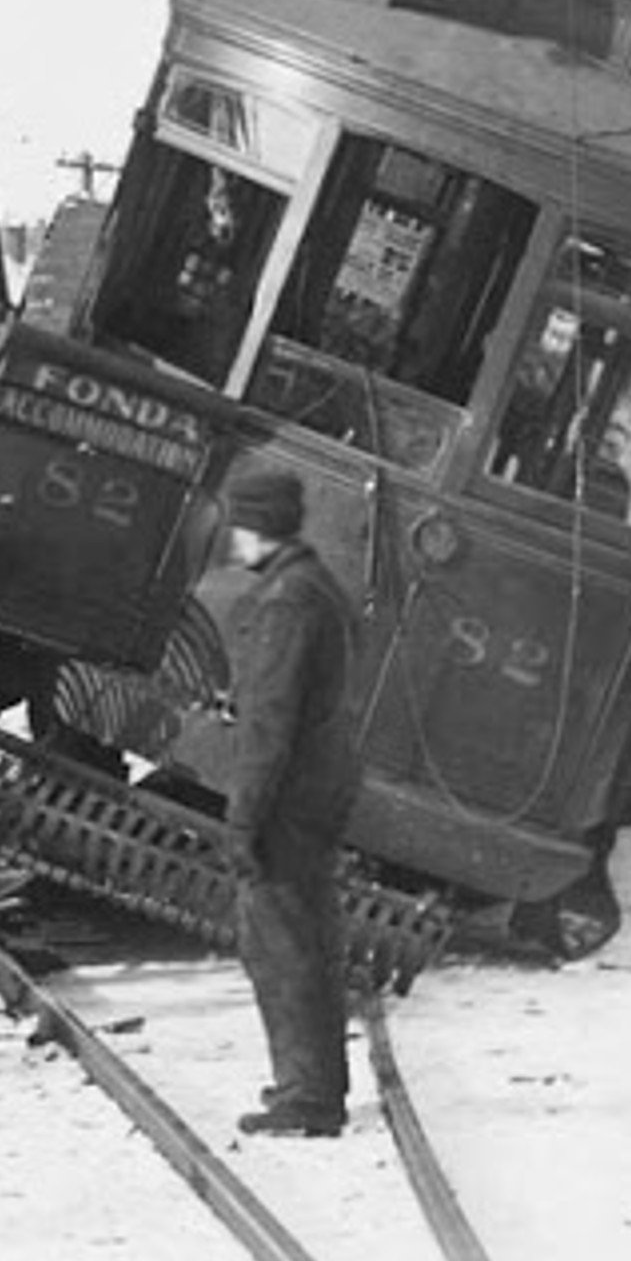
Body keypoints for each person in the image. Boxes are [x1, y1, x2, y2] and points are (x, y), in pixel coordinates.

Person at [217, 465, 362, 1141]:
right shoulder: (315, 589)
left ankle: (305, 1095)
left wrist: (242, 820)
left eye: (237, 525)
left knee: (279, 946)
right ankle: (313, 1085)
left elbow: (268, 726)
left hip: (285, 802)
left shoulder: (284, 603)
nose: (229, 541)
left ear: (256, 527)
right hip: (317, 792)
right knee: (305, 939)